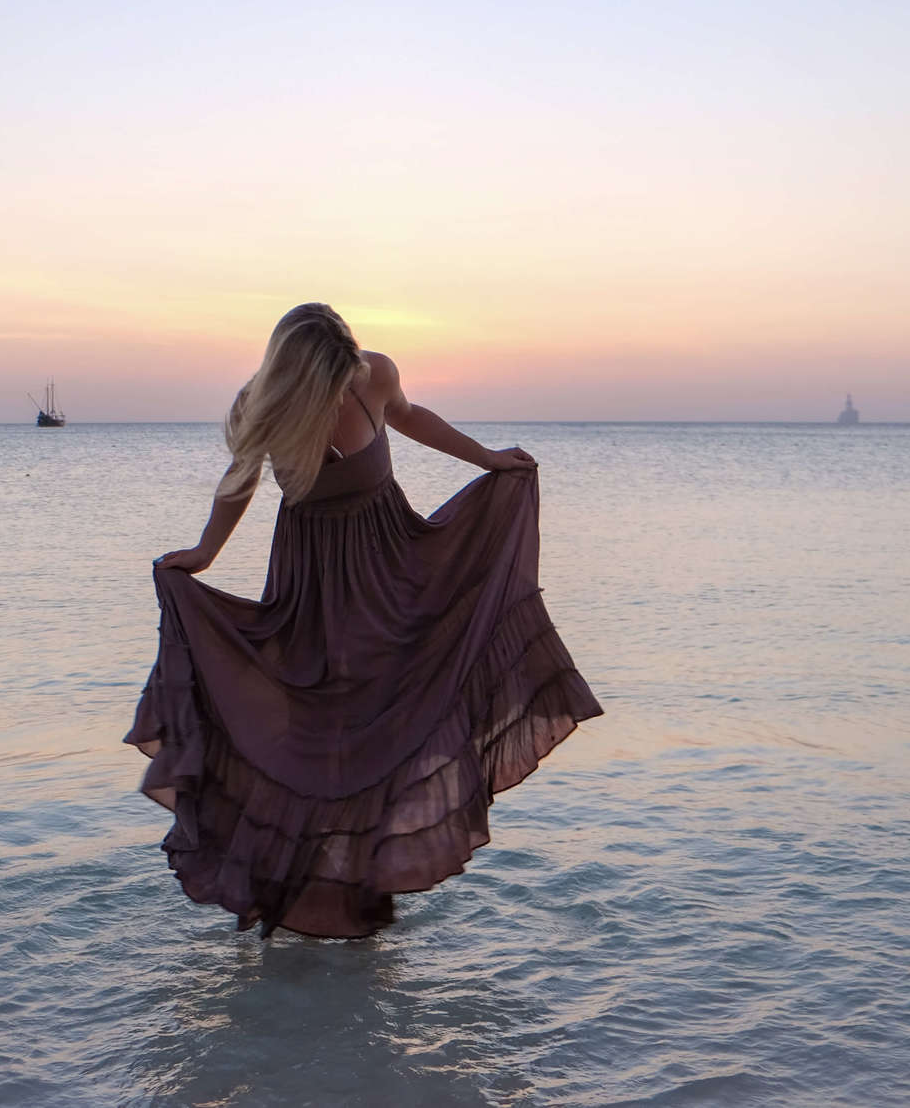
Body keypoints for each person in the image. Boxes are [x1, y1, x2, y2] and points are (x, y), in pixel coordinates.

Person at [126, 303, 603, 938]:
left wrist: (487, 460)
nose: (348, 376)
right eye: (335, 370)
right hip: (312, 581)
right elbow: (238, 480)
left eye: (349, 364)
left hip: (391, 566)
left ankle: (366, 869)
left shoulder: (375, 374)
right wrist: (205, 553)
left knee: (390, 711)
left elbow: (410, 418)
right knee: (313, 722)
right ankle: (297, 876)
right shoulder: (264, 405)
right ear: (304, 372)